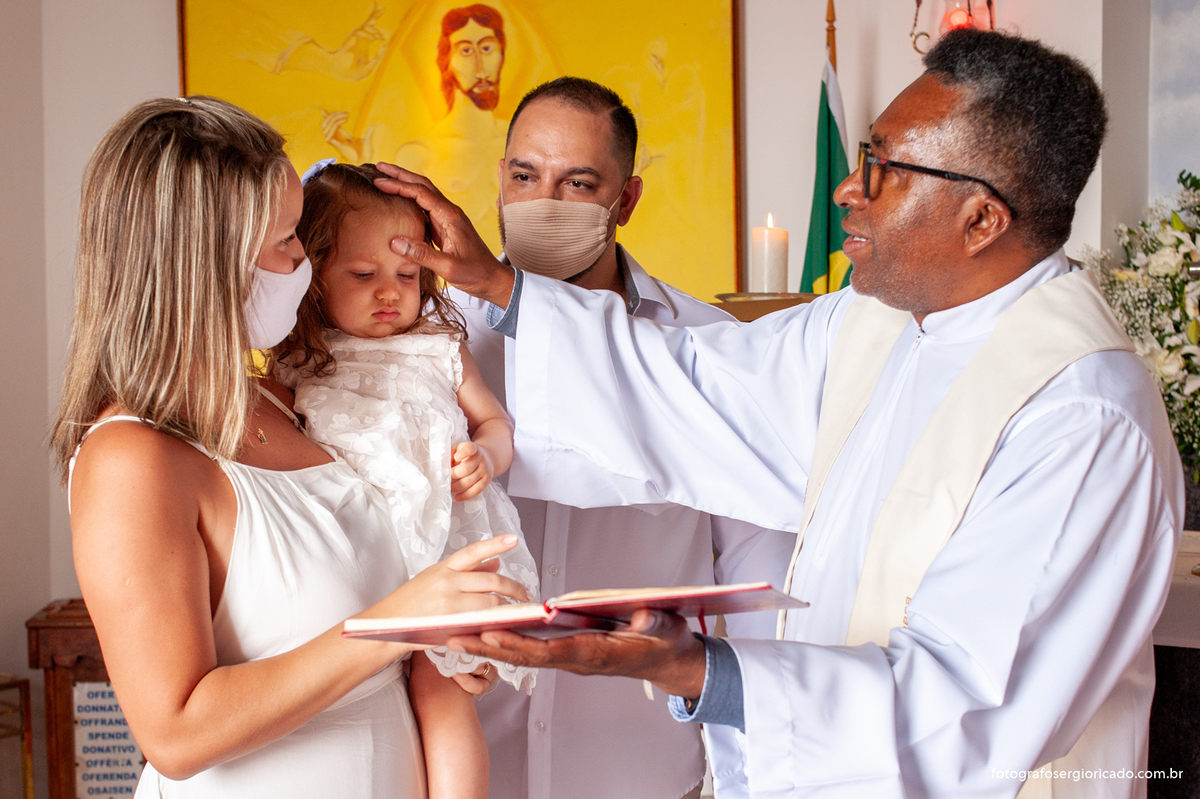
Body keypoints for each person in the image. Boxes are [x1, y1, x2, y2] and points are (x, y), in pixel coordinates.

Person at [373, 30, 1183, 798]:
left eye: (885, 167)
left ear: (982, 219)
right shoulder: (875, 324)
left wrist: (701, 671)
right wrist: (502, 286)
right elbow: (694, 387)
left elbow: (975, 702)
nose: (848, 189)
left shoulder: (1080, 416)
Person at [51, 96, 531, 799]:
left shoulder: (300, 399)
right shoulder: (134, 459)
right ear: (207, 261)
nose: (306, 260)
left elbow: (382, 627)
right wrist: (398, 624)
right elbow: (175, 733)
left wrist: (449, 648)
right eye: (286, 240)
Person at [444, 76, 796, 799]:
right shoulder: (433, 337)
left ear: (625, 200)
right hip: (467, 760)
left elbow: (756, 578)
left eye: (577, 182)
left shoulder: (707, 346)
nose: (543, 201)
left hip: (641, 769)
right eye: (523, 175)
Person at [272, 160, 542, 797]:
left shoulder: (439, 348)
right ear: (313, 276)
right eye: (363, 275)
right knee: (354, 687)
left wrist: (486, 456)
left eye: (408, 274)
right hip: (351, 553)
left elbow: (497, 424)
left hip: (440, 546)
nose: (390, 292)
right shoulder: (299, 361)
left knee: (439, 688)